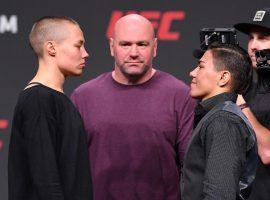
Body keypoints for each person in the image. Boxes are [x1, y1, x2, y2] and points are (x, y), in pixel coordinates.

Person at [71, 14, 195, 199]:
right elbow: (71, 168)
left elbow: (192, 167)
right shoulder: (83, 97)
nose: (134, 52)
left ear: (155, 47)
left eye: (142, 44)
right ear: (112, 47)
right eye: (125, 44)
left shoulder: (180, 95)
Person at [8, 16, 92, 200]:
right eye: (78, 46)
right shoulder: (38, 99)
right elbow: (45, 177)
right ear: (51, 48)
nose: (85, 53)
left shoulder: (55, 99)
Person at [181, 43, 258, 200]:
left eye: (200, 67)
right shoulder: (219, 116)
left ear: (223, 77)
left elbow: (220, 195)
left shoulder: (224, 121)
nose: (192, 73)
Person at [234, 7, 270, 200]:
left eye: (263, 38)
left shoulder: (240, 98)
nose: (254, 45)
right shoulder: (247, 90)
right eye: (251, 37)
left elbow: (267, 152)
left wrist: (239, 104)